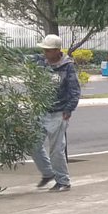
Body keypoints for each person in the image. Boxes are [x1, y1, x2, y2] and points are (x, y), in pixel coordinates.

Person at [34, 34, 81, 192]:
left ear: (56, 50)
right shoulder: (41, 63)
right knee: (32, 143)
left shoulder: (67, 67)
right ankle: (48, 173)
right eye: (44, 50)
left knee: (56, 150)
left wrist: (68, 109)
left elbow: (74, 90)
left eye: (48, 50)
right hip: (41, 110)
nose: (45, 53)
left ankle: (63, 181)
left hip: (59, 112)